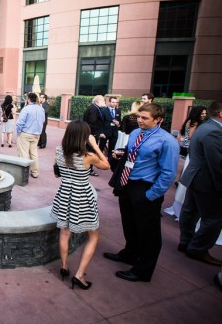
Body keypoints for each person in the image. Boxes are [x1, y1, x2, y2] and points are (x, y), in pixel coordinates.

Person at [104, 103, 179, 282]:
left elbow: (168, 173)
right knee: (129, 223)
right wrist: (121, 154)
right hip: (127, 183)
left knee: (148, 232)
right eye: (139, 117)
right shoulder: (136, 133)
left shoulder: (167, 141)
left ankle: (142, 271)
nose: (139, 120)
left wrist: (151, 195)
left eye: (145, 118)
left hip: (146, 188)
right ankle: (129, 253)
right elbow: (134, 154)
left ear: (158, 120)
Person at [51, 121, 110, 290]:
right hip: (82, 196)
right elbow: (107, 165)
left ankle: (64, 267)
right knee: (93, 236)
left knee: (64, 231)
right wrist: (95, 145)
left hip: (64, 193)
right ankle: (79, 275)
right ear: (85, 136)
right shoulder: (87, 156)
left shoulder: (58, 151)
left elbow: (57, 174)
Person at [178, 101, 222, 266]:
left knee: (190, 212)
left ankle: (186, 241)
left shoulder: (206, 127)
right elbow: (217, 163)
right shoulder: (214, 131)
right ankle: (197, 249)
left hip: (196, 177)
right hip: (207, 181)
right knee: (214, 219)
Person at [16, 93, 46, 179]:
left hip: (25, 133)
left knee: (24, 153)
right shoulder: (41, 109)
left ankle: (24, 173)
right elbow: (43, 120)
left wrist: (18, 133)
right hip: (36, 134)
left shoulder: (26, 109)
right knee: (34, 153)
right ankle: (35, 172)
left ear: (28, 99)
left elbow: (20, 123)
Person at [82, 95, 106, 176]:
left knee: (89, 151)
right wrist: (98, 133)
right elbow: (92, 122)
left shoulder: (95, 108)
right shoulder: (94, 109)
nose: (104, 102)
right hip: (91, 135)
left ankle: (87, 167)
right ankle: (88, 169)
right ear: (97, 101)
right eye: (103, 100)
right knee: (91, 151)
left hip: (91, 134)